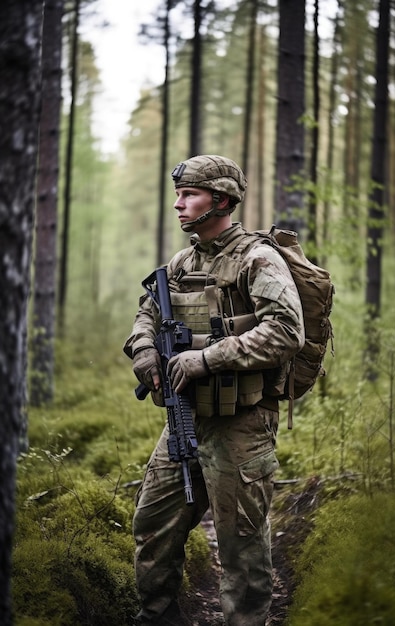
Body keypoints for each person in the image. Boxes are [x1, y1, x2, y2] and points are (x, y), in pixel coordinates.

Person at [123, 155, 305, 625]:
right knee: (153, 528)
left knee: (241, 548)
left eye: (190, 195)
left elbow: (287, 330)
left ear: (220, 200)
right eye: (178, 195)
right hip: (186, 417)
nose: (179, 205)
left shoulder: (257, 258)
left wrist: (205, 358)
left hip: (242, 425)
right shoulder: (183, 261)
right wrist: (145, 353)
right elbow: (146, 316)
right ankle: (158, 616)